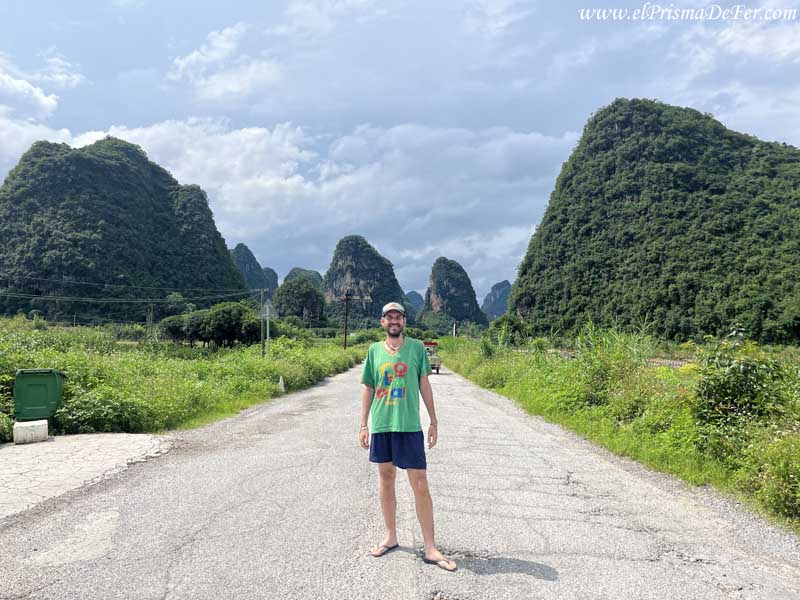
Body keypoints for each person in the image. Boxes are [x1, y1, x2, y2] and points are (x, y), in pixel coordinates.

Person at [359, 301, 457, 572]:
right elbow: (368, 386)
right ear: (382, 322)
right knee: (386, 479)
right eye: (389, 317)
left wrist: (434, 420)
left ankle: (430, 547)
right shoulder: (374, 351)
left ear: (404, 321)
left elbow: (424, 384)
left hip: (409, 426)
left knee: (420, 482)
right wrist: (363, 424)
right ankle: (390, 536)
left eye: (398, 317)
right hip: (382, 425)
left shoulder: (415, 349)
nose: (394, 321)